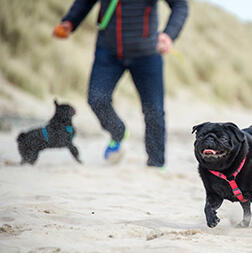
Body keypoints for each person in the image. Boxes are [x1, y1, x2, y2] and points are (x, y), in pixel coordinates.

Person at [53, 0, 188, 167]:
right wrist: (70, 21)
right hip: (108, 51)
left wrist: (169, 34)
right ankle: (118, 132)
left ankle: (156, 164)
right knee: (97, 99)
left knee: (154, 110)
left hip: (147, 53)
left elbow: (180, 5)